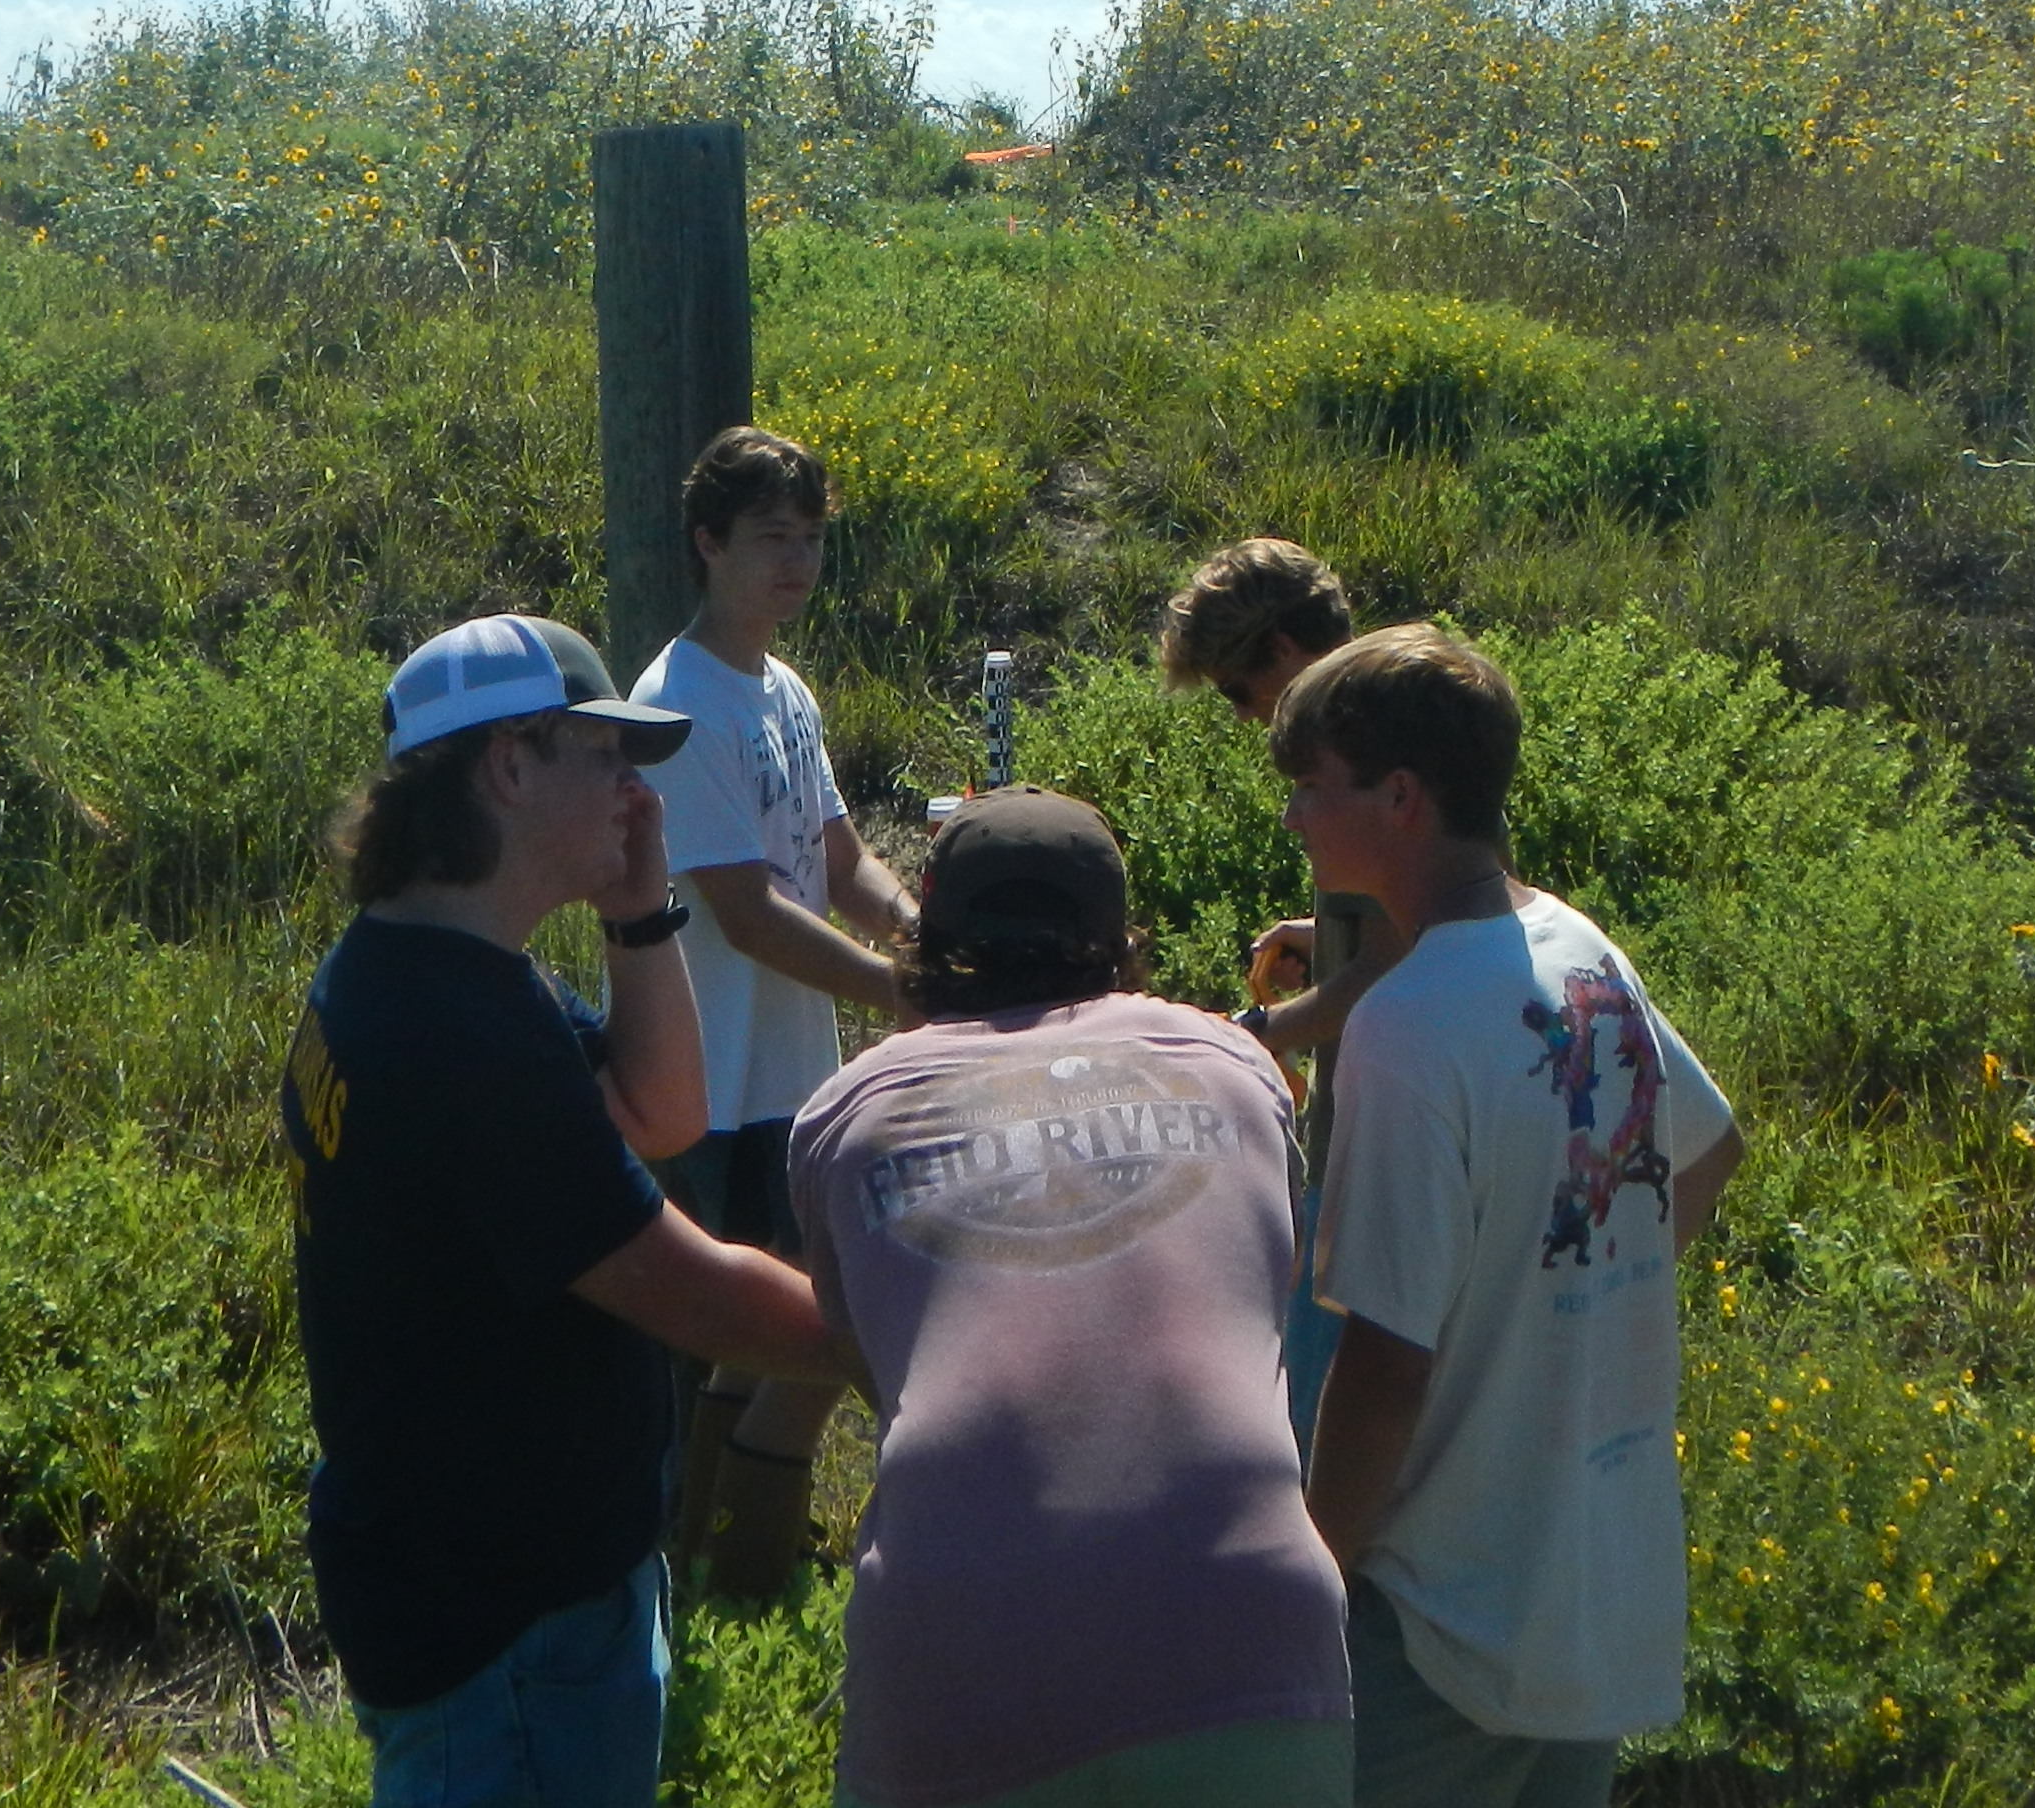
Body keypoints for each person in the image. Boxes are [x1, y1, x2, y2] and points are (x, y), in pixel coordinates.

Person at [285, 612, 840, 1808]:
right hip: (502, 1625)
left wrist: (641, 914)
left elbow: (662, 1110)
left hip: (520, 1584)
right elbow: (685, 1290)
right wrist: (910, 1328)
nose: (637, 789)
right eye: (606, 754)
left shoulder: (438, 968)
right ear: (509, 765)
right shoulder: (452, 1037)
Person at [791, 788, 1353, 1808]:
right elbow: (1263, 1310)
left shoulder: (851, 1112)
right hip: (1247, 1625)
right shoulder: (1232, 1065)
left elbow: (875, 1362)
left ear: (927, 924)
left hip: (960, 1629)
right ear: (1120, 933)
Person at [1275, 626, 1742, 1808]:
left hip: (1445, 1618)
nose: (1292, 819)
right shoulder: (1582, 953)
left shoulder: (1408, 1024)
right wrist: (1562, 1317)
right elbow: (1707, 1147)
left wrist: (1309, 1583)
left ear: (1400, 797)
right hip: (1595, 1594)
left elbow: (1382, 1364)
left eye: (1310, 787)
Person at [629, 424, 920, 1600]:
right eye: (768, 541)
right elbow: (746, 914)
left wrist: (918, 925)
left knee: (791, 1315)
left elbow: (837, 859)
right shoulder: (678, 703)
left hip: (795, 1074)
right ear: (708, 543)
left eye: (808, 541)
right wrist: (907, 992)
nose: (794, 565)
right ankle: (695, 1567)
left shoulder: (783, 689)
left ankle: (743, 1562)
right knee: (724, 1341)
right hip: (709, 1078)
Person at [1161, 537, 1384, 1445]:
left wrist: (1259, 1032)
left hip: (1380, 1142)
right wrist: (1319, 931)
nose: (1246, 717)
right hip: (1367, 1126)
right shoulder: (1388, 723)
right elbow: (1394, 923)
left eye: (1233, 689)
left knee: (1322, 1416)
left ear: (1284, 653)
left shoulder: (1362, 752)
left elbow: (1400, 965)